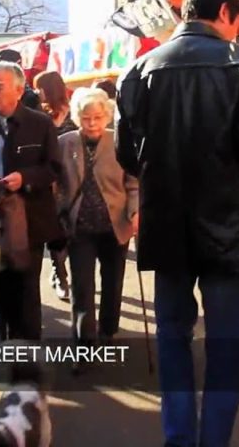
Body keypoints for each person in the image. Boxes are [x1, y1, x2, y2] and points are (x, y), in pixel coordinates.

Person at [115, 0, 239, 447]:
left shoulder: (139, 70)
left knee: (172, 339)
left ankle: (179, 438)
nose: (238, 31)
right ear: (224, 12)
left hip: (166, 222)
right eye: (238, 21)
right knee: (226, 346)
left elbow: (127, 154)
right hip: (228, 223)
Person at [0, 63, 62, 342]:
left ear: (18, 90)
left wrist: (24, 178)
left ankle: (27, 350)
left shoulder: (39, 124)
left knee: (26, 289)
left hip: (29, 220)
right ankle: (6, 337)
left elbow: (54, 168)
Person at [58, 88, 138, 372]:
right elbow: (56, 182)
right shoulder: (64, 143)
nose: (91, 123)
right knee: (82, 286)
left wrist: (135, 210)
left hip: (115, 224)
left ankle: (108, 331)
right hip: (79, 225)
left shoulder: (119, 142)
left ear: (107, 115)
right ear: (77, 116)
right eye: (85, 117)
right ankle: (84, 344)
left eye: (97, 117)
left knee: (113, 282)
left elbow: (133, 182)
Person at [35, 70, 76, 302]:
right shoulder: (38, 114)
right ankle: (60, 274)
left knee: (68, 229)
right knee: (55, 230)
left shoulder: (73, 112)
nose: (37, 92)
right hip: (47, 180)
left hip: (71, 178)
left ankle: (60, 271)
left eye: (39, 87)